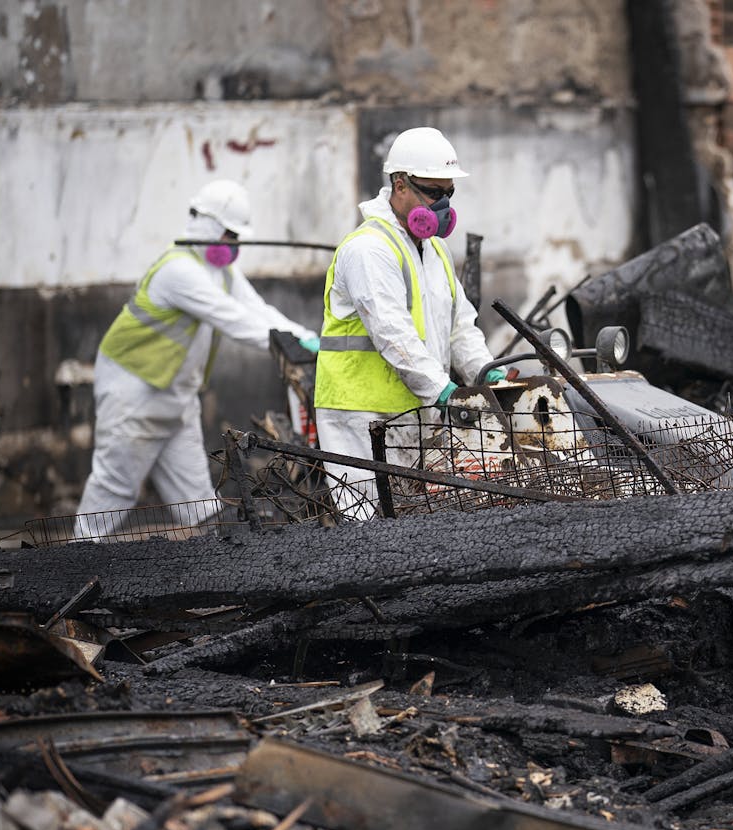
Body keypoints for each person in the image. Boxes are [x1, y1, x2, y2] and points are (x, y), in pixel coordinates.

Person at [73, 179, 320, 540]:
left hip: (177, 397)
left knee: (199, 503)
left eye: (237, 238)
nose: (234, 246)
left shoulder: (220, 271)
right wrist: (287, 343)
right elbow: (232, 318)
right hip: (134, 396)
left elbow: (256, 308)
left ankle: (226, 566)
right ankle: (76, 559)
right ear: (207, 225)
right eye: (229, 235)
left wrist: (302, 336)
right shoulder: (178, 271)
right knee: (114, 489)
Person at [314, 127, 503, 515]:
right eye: (433, 192)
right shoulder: (369, 249)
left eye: (449, 192)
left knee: (412, 529)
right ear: (400, 185)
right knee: (367, 528)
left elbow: (460, 326)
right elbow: (392, 334)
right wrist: (444, 391)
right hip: (362, 416)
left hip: (414, 411)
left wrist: (487, 375)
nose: (443, 204)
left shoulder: (435, 250)